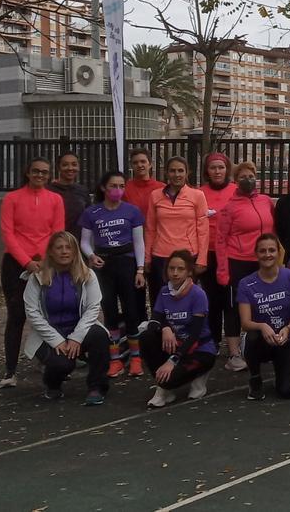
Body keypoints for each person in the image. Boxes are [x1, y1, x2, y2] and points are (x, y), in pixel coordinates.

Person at [0, 156, 65, 388]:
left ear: (49, 175)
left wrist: (47, 261)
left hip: (46, 263)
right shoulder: (12, 198)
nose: (40, 175)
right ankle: (10, 371)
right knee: (17, 316)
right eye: (36, 171)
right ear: (28, 173)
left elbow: (57, 233)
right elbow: (8, 234)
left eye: (44, 172)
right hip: (16, 264)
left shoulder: (56, 199)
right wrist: (27, 262)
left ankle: (47, 359)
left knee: (48, 315)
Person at [21, 232, 110, 404]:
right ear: (51, 252)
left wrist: (76, 338)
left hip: (79, 329)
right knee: (64, 365)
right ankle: (52, 384)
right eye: (59, 248)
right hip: (49, 334)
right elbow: (32, 312)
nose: (64, 252)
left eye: (68, 247)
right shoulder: (37, 277)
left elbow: (93, 309)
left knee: (100, 336)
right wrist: (56, 341)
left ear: (75, 251)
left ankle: (96, 387)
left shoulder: (88, 275)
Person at [79, 171, 147, 378]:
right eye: (113, 186)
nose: (118, 190)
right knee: (109, 311)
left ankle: (136, 358)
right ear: (103, 188)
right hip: (104, 265)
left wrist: (140, 269)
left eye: (121, 186)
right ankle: (115, 359)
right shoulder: (92, 212)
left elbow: (138, 242)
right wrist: (91, 256)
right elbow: (84, 241)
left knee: (131, 311)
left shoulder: (132, 211)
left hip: (126, 263)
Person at [215, 161, 274, 372]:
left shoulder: (266, 201)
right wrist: (223, 270)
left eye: (251, 176)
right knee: (234, 307)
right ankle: (233, 353)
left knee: (261, 305)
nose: (247, 180)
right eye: (242, 177)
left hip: (263, 261)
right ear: (235, 181)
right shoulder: (229, 208)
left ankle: (259, 346)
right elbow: (220, 240)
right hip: (237, 261)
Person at [141, 250, 216, 408]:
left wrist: (172, 360)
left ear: (189, 271)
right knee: (147, 337)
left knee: (170, 380)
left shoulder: (198, 294)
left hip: (199, 349)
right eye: (171, 268)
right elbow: (155, 320)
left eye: (180, 269)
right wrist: (166, 328)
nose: (175, 273)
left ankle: (197, 376)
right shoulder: (164, 292)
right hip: (175, 344)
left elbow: (195, 334)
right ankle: (164, 388)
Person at [238, 234, 290, 400]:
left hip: (287, 340)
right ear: (256, 254)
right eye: (262, 251)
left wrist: (288, 329)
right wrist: (262, 326)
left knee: (287, 392)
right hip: (262, 339)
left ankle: (281, 368)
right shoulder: (246, 284)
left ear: (278, 253)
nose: (267, 254)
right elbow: (245, 323)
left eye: (271, 250)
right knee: (250, 336)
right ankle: (255, 378)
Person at [145, 156, 209, 320]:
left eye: (181, 170)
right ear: (166, 172)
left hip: (187, 256)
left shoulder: (197, 195)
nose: (176, 174)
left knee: (185, 300)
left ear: (187, 173)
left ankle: (185, 338)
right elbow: (150, 228)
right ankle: (160, 334)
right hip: (161, 256)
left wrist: (202, 259)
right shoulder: (155, 195)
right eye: (172, 170)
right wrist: (147, 258)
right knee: (160, 300)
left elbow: (203, 230)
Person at [198, 152, 238, 370]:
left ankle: (234, 345)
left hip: (230, 254)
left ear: (227, 169)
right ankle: (212, 341)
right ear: (207, 170)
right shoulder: (199, 193)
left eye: (221, 167)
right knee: (211, 299)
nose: (217, 171)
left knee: (230, 299)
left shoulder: (235, 191)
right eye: (213, 168)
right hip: (208, 252)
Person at [47, 152, 91, 240]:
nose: (70, 168)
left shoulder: (83, 190)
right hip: (54, 241)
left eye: (74, 164)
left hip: (78, 242)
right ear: (58, 167)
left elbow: (88, 216)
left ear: (78, 167)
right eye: (65, 165)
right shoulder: (48, 190)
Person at [123, 148, 163, 219]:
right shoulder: (124, 188)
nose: (139, 165)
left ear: (150, 164)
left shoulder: (162, 188)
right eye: (135, 162)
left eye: (143, 161)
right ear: (131, 166)